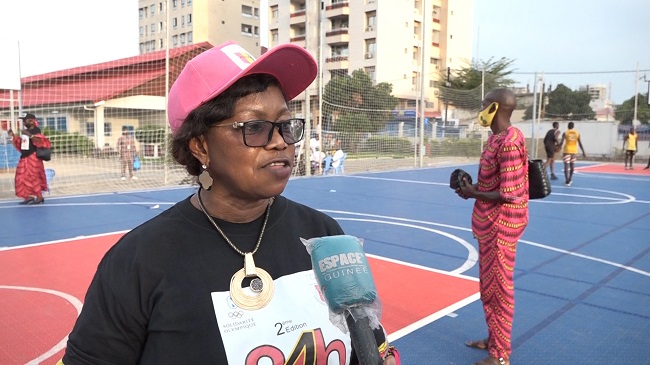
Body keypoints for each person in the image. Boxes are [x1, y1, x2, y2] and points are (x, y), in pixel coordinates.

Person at [60, 41, 399, 364]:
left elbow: (367, 344)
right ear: (200, 146)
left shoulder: (323, 235)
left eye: (285, 125)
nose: (280, 142)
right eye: (255, 127)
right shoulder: (139, 261)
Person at [455, 89, 529, 365]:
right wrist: (471, 188)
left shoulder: (509, 141)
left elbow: (509, 193)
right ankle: (494, 340)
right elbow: (492, 184)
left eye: (484, 105)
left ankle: (500, 356)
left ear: (495, 108)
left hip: (502, 227)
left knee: (500, 290)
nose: (481, 109)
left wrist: (474, 193)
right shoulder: (495, 138)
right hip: (489, 224)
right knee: (488, 288)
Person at [7, 113, 48, 205]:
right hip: (25, 157)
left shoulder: (36, 130)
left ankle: (39, 196)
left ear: (32, 121)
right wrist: (14, 136)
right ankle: (27, 196)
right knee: (20, 177)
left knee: (33, 176)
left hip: (33, 157)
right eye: (23, 120)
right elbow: (22, 144)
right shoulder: (26, 131)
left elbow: (40, 142)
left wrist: (30, 135)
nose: (24, 122)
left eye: (25, 120)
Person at [558, 121, 586, 186]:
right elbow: (580, 143)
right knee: (572, 165)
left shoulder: (565, 133)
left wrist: (558, 147)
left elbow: (562, 142)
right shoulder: (577, 133)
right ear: (573, 127)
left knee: (566, 165)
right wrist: (583, 152)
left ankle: (566, 180)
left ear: (568, 126)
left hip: (567, 150)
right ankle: (570, 178)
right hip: (574, 151)